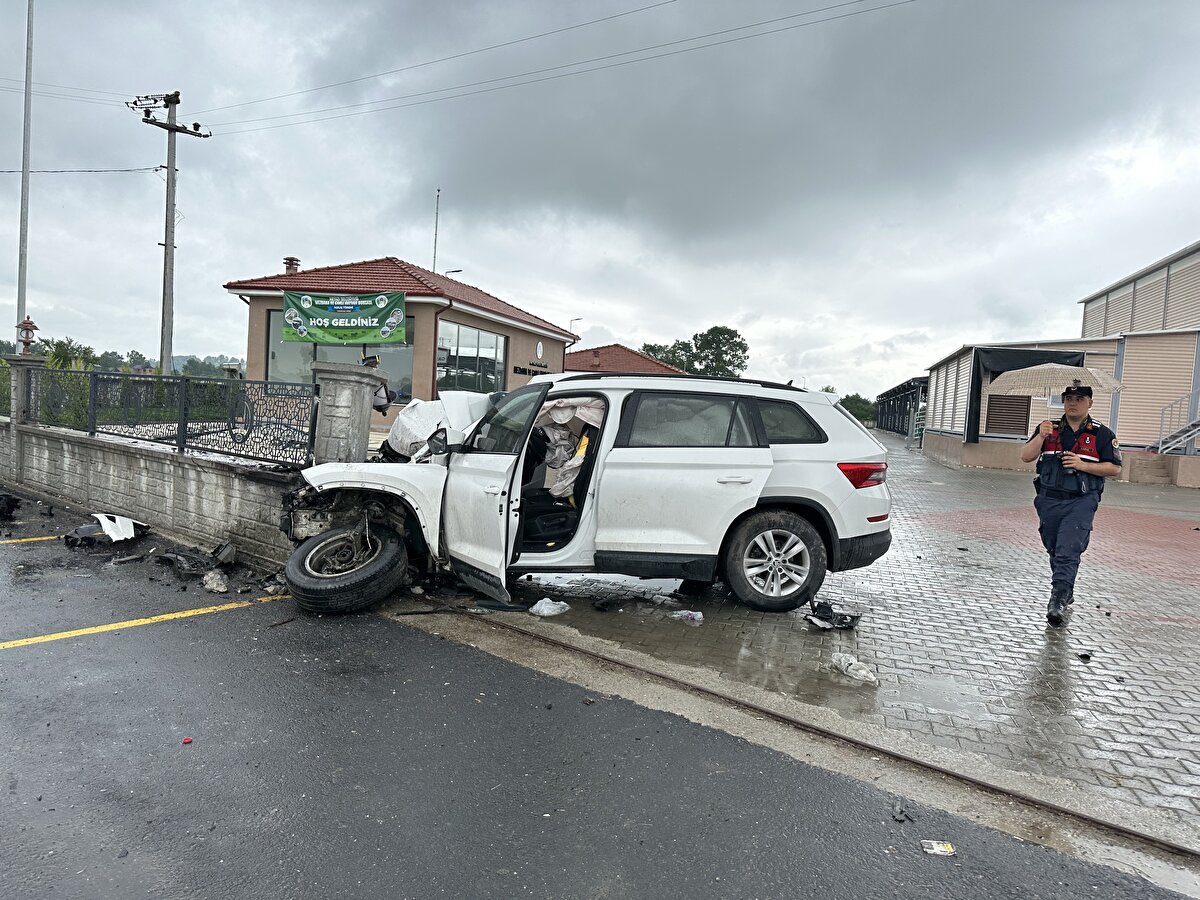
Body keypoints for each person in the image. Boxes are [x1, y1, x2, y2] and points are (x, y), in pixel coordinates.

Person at [1019, 381, 1122, 627]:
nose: (1072, 403)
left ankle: (1058, 600)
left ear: (1090, 403)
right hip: (1049, 499)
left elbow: (1115, 468)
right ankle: (1066, 588)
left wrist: (1082, 464)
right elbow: (1026, 456)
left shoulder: (1102, 434)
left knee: (1068, 549)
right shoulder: (1048, 428)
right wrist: (1041, 436)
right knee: (1054, 547)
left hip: (1081, 501)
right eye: (1068, 399)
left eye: (1079, 399)